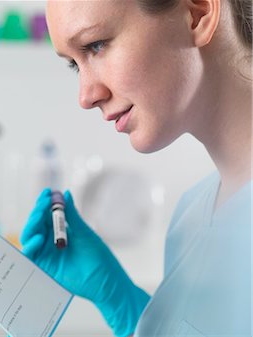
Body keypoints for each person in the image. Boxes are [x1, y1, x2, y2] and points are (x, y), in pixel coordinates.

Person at [18, 1, 252, 336]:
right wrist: (121, 303)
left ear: (197, 14)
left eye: (96, 45)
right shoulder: (191, 215)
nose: (86, 96)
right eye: (74, 65)